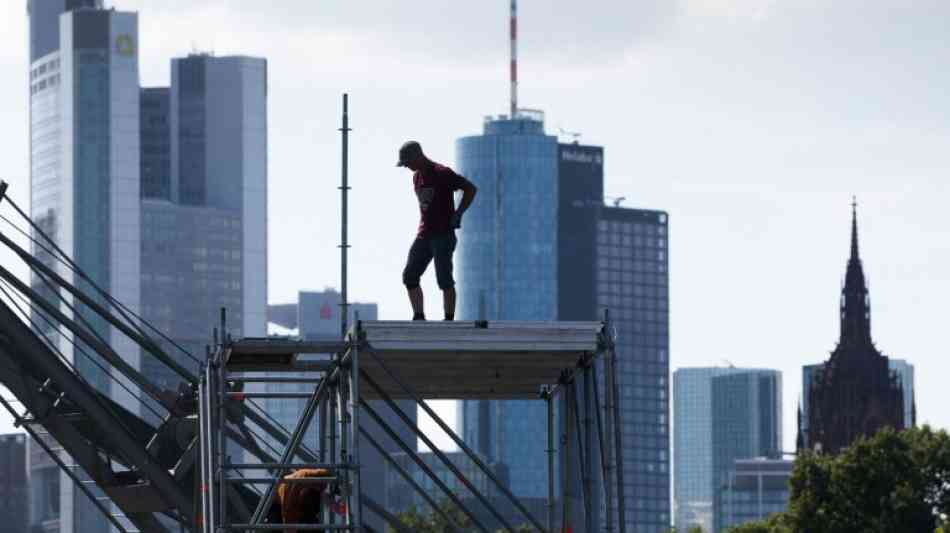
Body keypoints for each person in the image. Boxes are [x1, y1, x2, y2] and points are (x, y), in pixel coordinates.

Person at [397, 140, 477, 321]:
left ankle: (448, 319)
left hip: (443, 234)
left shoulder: (442, 173)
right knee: (410, 275)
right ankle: (419, 316)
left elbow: (470, 189)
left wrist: (459, 213)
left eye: (408, 163)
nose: (407, 167)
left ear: (418, 156)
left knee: (444, 279)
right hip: (424, 234)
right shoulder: (416, 177)